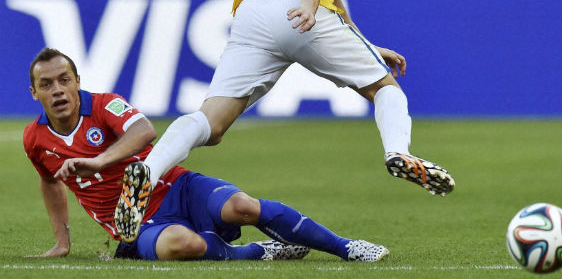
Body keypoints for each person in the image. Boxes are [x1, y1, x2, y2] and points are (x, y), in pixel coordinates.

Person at [116, 0, 456, 242]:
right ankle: (399, 153)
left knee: (211, 123)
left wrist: (367, 45)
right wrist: (307, 5)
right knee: (386, 90)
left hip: (254, 10)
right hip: (296, 10)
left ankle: (148, 171)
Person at [23, 47, 390, 262]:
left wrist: (100, 161)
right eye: (46, 84)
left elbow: (145, 131)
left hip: (175, 186)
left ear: (78, 82)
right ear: (34, 92)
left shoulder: (104, 105)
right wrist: (62, 241)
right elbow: (49, 182)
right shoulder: (35, 139)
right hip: (136, 223)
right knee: (184, 244)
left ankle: (348, 248)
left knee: (243, 206)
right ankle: (259, 251)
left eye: (65, 80)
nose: (58, 90)